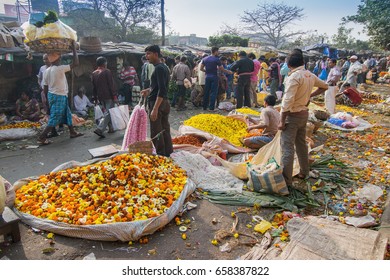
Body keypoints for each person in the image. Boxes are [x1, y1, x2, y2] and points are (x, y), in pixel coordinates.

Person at [279, 49, 328, 188]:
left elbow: (287, 101)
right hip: (303, 115)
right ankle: (304, 172)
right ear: (303, 62)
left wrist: (282, 120)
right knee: (300, 144)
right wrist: (309, 96)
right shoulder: (309, 75)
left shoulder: (294, 77)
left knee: (287, 148)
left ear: (288, 65)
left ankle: (286, 181)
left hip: (292, 116)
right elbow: (325, 86)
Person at [37, 43, 83, 145]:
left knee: (67, 113)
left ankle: (72, 132)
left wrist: (48, 101)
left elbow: (45, 88)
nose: (61, 59)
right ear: (57, 59)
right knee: (55, 117)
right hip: (59, 96)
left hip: (51, 95)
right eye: (60, 57)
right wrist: (74, 50)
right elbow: (76, 63)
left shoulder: (46, 71)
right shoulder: (60, 68)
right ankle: (42, 137)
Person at [140, 45, 173, 157]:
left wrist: (154, 109)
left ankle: (160, 155)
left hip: (157, 102)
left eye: (149, 53)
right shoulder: (163, 67)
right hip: (164, 102)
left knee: (156, 131)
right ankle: (168, 152)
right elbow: (158, 87)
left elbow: (162, 90)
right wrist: (148, 90)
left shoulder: (159, 68)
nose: (146, 56)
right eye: (146, 54)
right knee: (165, 129)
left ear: (156, 54)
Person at [92, 56, 118, 138]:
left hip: (100, 96)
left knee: (107, 112)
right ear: (105, 63)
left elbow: (94, 87)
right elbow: (111, 85)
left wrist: (95, 98)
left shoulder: (94, 73)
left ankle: (111, 128)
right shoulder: (107, 71)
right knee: (109, 113)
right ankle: (100, 128)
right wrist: (114, 96)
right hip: (108, 95)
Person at [200, 47, 232, 111]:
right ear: (215, 51)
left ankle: (204, 107)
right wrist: (229, 72)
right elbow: (221, 69)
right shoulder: (216, 59)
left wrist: (206, 71)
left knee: (206, 92)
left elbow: (201, 68)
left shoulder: (205, 59)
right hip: (214, 77)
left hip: (207, 77)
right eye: (218, 51)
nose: (218, 52)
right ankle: (211, 108)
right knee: (213, 92)